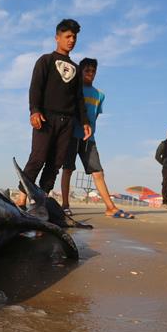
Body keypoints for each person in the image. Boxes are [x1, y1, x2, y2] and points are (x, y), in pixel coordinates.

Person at [20, 19, 92, 195]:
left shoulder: (75, 68)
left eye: (74, 37)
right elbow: (36, 87)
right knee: (37, 158)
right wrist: (34, 110)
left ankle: (42, 198)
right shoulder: (46, 60)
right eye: (67, 36)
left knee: (55, 163)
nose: (71, 40)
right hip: (46, 119)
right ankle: (22, 197)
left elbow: (79, 99)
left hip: (67, 122)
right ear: (57, 38)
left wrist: (84, 121)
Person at [58, 58, 132, 218]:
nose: (90, 74)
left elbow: (95, 115)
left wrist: (90, 130)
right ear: (80, 71)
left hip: (89, 140)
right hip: (71, 136)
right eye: (87, 71)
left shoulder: (100, 95)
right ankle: (65, 205)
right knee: (68, 169)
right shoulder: (74, 90)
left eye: (93, 71)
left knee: (98, 172)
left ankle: (110, 207)